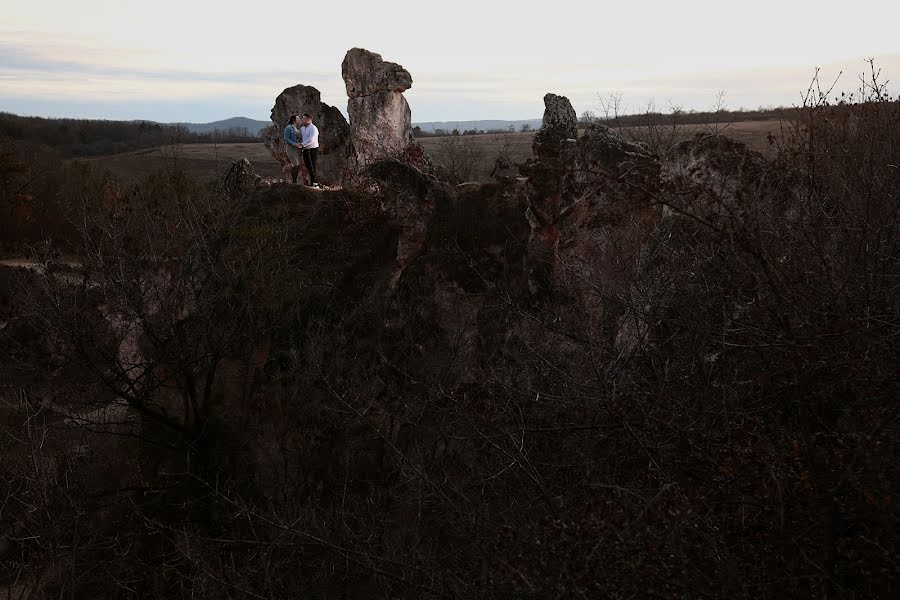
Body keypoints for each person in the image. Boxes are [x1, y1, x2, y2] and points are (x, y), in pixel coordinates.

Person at [298, 113, 320, 188]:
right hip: (305, 149)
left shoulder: (313, 128)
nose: (302, 120)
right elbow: (300, 137)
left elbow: (312, 139)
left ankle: (315, 184)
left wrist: (302, 145)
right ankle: (312, 183)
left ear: (308, 120)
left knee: (312, 166)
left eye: (304, 119)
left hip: (313, 149)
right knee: (308, 166)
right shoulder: (302, 128)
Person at [283, 115, 303, 183]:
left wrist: (301, 144)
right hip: (291, 149)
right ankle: (294, 182)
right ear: (294, 120)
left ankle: (295, 182)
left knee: (297, 165)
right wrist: (295, 144)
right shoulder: (288, 128)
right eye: (298, 118)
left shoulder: (297, 128)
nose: (299, 119)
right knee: (295, 164)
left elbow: (299, 138)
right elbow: (286, 138)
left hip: (298, 150)